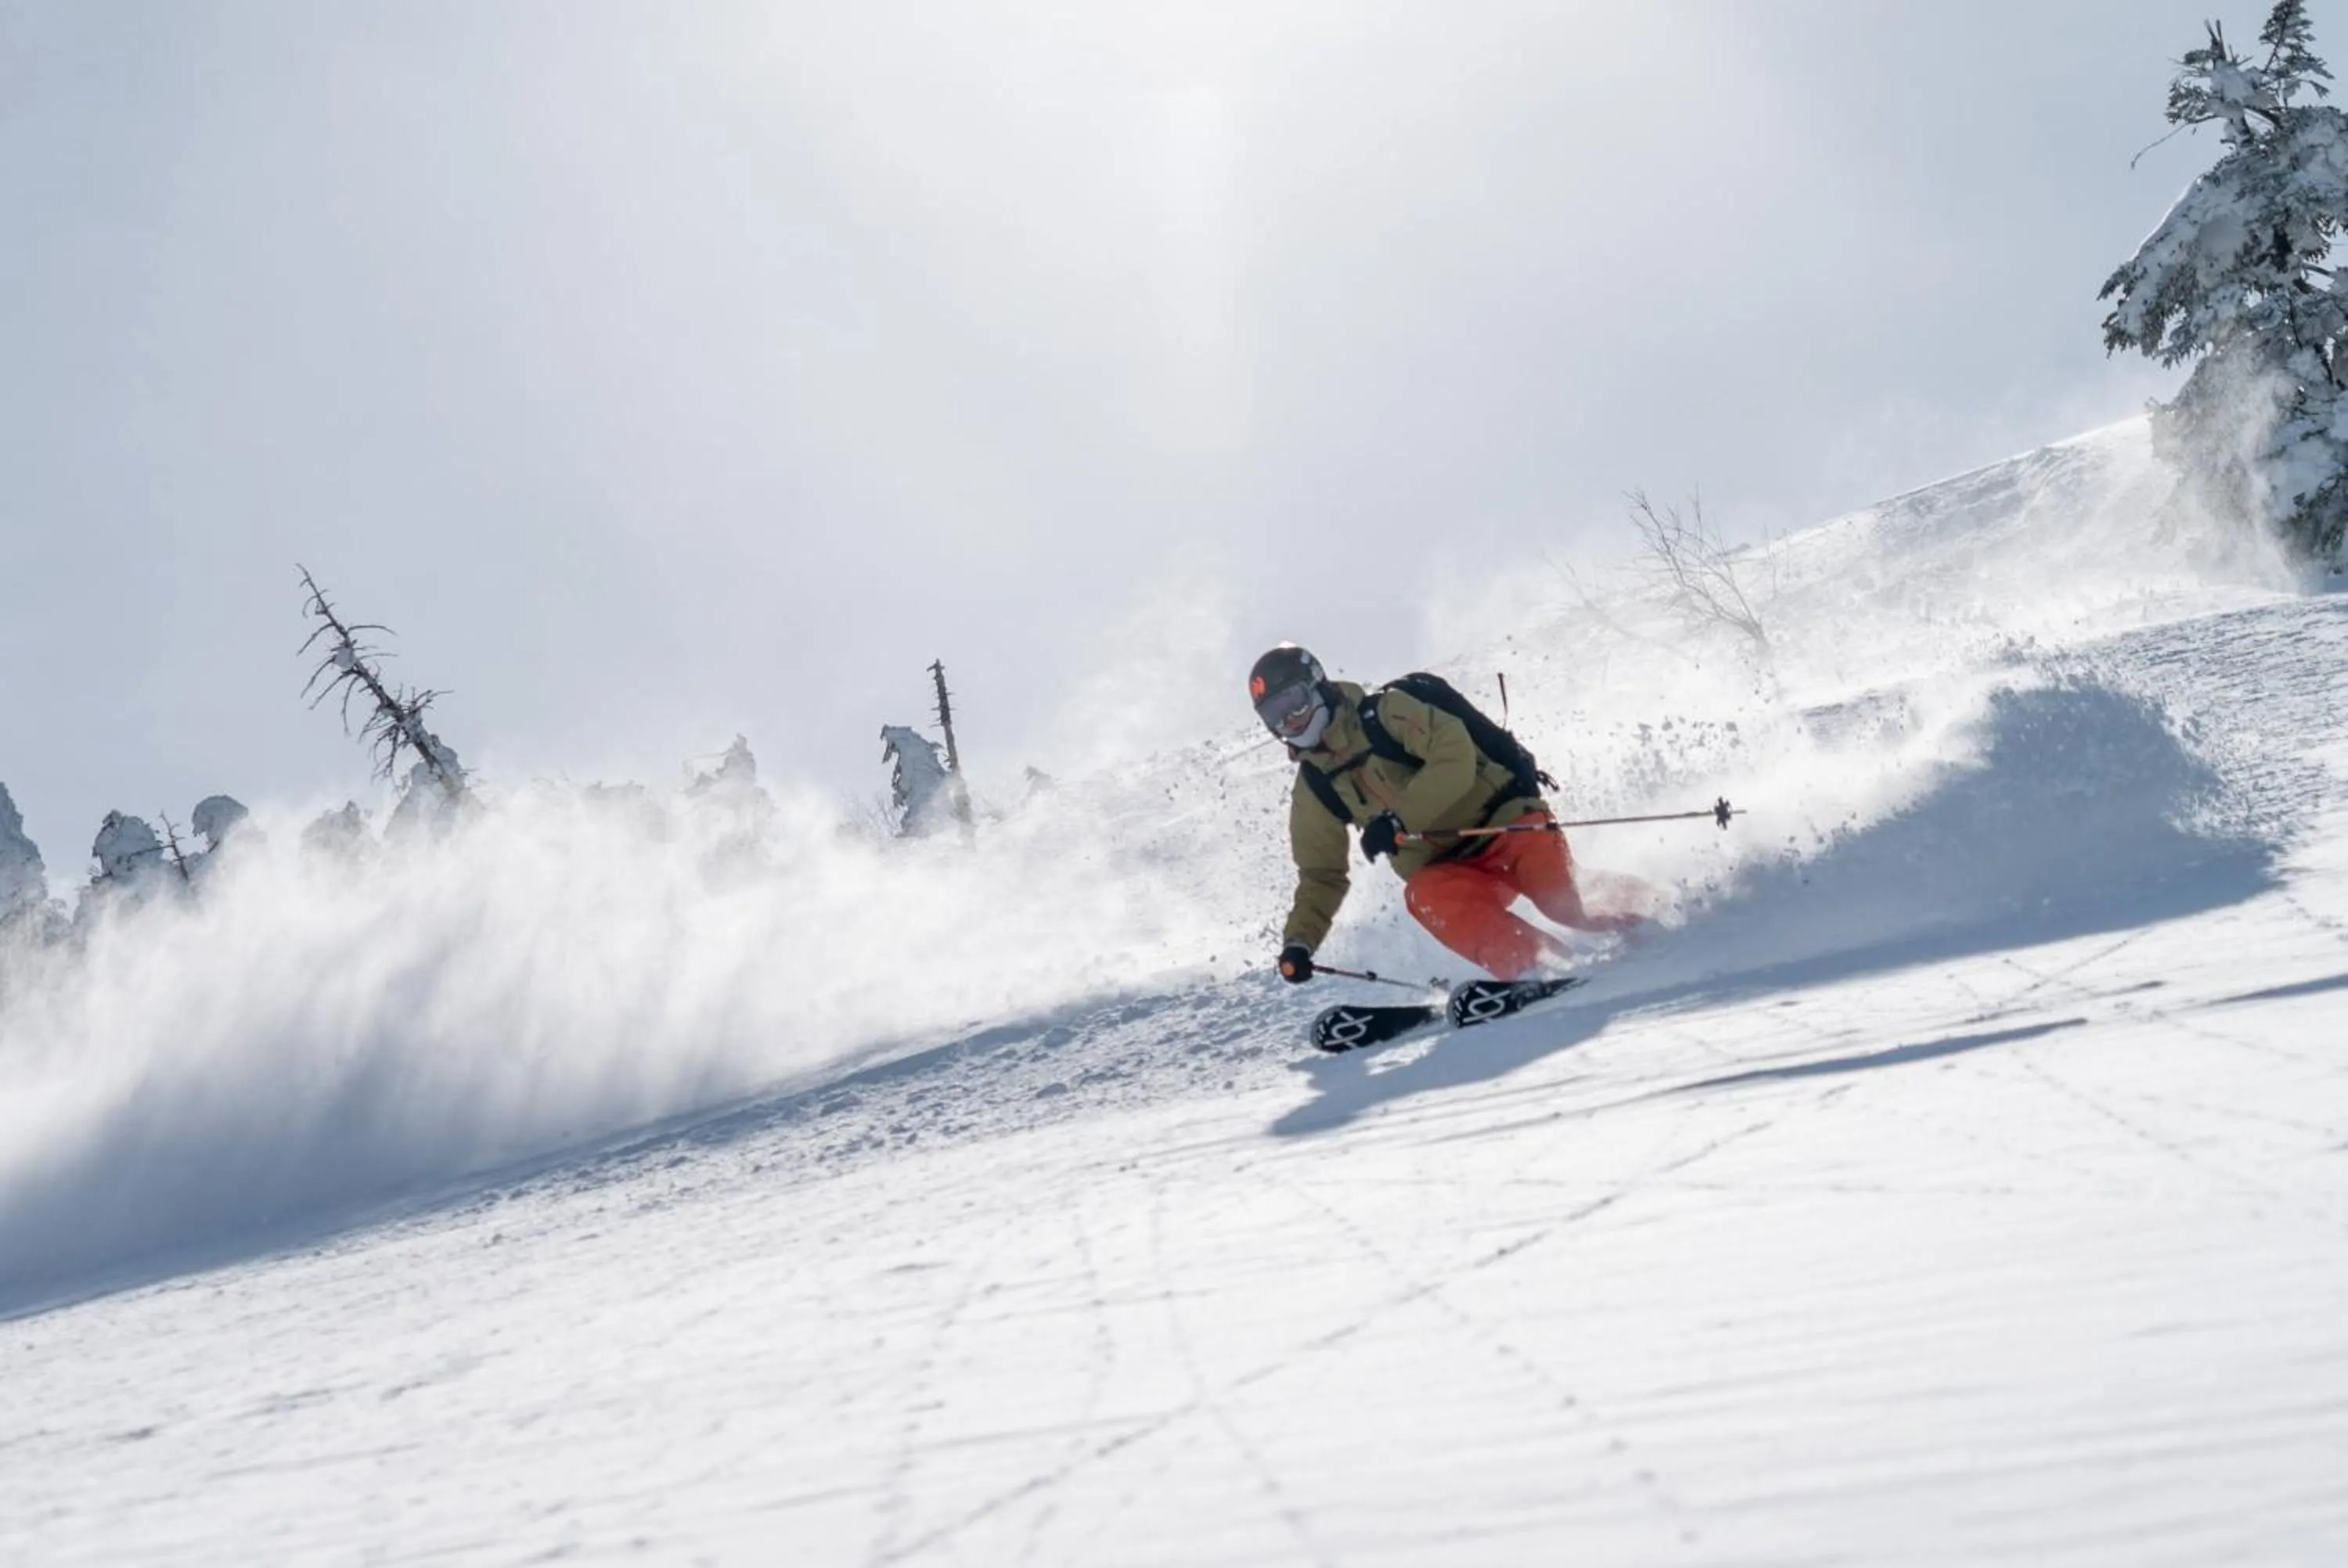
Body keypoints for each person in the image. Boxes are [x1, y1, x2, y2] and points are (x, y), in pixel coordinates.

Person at [1250, 643, 1648, 985]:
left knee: (1563, 904)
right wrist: (1300, 942)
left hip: (1506, 824)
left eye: (1294, 703)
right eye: (1275, 716)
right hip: (1450, 869)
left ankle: (1654, 910)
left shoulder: (1385, 714)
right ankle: (1541, 969)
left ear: (1318, 685)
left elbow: (1453, 753)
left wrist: (1398, 819)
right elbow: (1321, 874)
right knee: (1423, 896)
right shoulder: (1316, 785)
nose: (1291, 721)